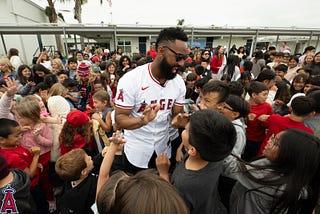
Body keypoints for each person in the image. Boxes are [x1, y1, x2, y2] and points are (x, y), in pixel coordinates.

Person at [114, 27, 188, 174]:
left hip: (163, 149)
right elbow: (120, 120)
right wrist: (142, 120)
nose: (181, 63)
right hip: (136, 150)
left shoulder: (179, 82)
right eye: (179, 57)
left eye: (185, 58)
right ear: (161, 50)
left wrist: (178, 121)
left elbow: (176, 115)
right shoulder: (131, 79)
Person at [156, 109, 236, 214]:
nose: (184, 129)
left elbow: (171, 204)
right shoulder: (216, 153)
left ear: (192, 150)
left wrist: (163, 174)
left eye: (186, 130)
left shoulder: (184, 184)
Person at [224, 129, 320, 214]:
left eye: (275, 143)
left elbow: (229, 166)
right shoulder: (291, 174)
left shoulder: (270, 180)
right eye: (273, 137)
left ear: (289, 156)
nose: (269, 141)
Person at [0, 118, 48, 213]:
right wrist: (36, 156)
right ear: (2, 140)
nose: (20, 137)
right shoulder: (12, 157)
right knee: (40, 207)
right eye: (17, 136)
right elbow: (30, 175)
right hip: (32, 188)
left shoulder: (12, 146)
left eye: (21, 134)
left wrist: (32, 162)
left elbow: (23, 157)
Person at [55, 148, 102, 214]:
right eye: (88, 159)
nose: (90, 157)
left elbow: (90, 166)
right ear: (83, 172)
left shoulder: (72, 177)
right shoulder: (92, 187)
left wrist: (102, 155)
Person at [242, 81, 273, 161]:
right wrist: (246, 119)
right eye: (264, 94)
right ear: (254, 95)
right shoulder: (244, 105)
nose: (266, 97)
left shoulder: (267, 107)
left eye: (267, 94)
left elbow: (270, 123)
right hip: (244, 138)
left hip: (258, 140)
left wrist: (266, 120)